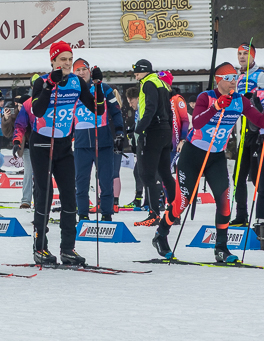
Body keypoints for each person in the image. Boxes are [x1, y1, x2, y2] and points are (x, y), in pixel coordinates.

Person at [152, 63, 264, 262]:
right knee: (182, 202)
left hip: (216, 157)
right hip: (193, 155)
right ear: (219, 80)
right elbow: (197, 122)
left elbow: (259, 120)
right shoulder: (206, 97)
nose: (234, 81)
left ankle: (221, 248)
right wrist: (216, 107)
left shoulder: (240, 101)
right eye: (229, 77)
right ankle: (161, 234)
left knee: (224, 202)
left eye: (235, 76)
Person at [28, 41, 104, 266]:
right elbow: (37, 110)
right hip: (42, 143)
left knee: (70, 196)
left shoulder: (77, 82)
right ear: (53, 61)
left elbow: (96, 108)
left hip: (62, 146)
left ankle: (67, 248)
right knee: (45, 195)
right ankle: (40, 247)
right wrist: (50, 86)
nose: (68, 63)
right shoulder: (41, 82)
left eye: (70, 59)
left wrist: (97, 85)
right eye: (63, 60)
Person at [71, 58, 123, 222]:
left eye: (83, 70)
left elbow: (116, 111)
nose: (81, 73)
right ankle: (83, 215)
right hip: (81, 145)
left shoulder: (103, 88)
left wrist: (120, 133)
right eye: (77, 70)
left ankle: (107, 214)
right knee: (81, 182)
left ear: (89, 71)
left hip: (103, 143)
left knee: (106, 181)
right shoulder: (72, 90)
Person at [132, 59, 174, 227]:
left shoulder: (148, 83)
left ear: (143, 71)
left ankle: (153, 214)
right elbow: (168, 111)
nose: (135, 74)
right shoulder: (161, 83)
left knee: (146, 174)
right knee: (165, 173)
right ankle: (174, 212)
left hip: (153, 131)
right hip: (164, 130)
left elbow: (150, 109)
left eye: (136, 71)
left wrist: (139, 130)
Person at [232, 42, 263, 228]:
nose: (242, 57)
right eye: (240, 54)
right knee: (238, 176)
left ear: (253, 56)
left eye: (246, 54)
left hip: (257, 133)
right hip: (243, 132)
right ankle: (241, 214)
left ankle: (260, 216)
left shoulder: (260, 75)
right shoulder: (238, 76)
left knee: (257, 176)